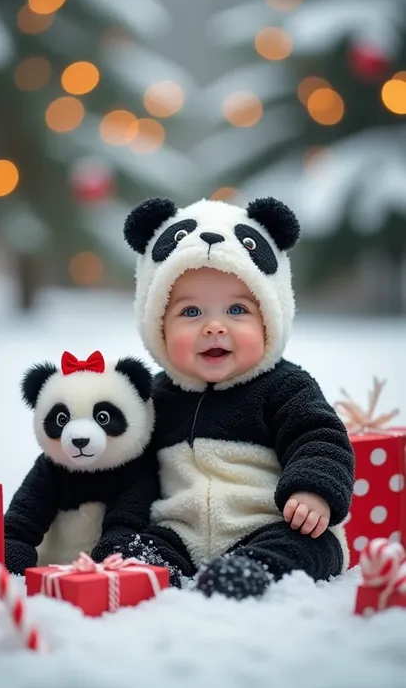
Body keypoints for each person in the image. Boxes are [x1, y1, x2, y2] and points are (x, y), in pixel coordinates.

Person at [92, 195, 355, 600]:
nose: (215, 327)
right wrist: (120, 532)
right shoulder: (155, 399)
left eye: (236, 310)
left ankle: (252, 571)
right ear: (156, 324)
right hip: (183, 534)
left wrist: (312, 490)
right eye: (191, 313)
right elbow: (134, 478)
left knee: (307, 546)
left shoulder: (285, 386)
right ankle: (148, 565)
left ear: (270, 317)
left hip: (270, 523)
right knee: (142, 550)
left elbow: (319, 437)